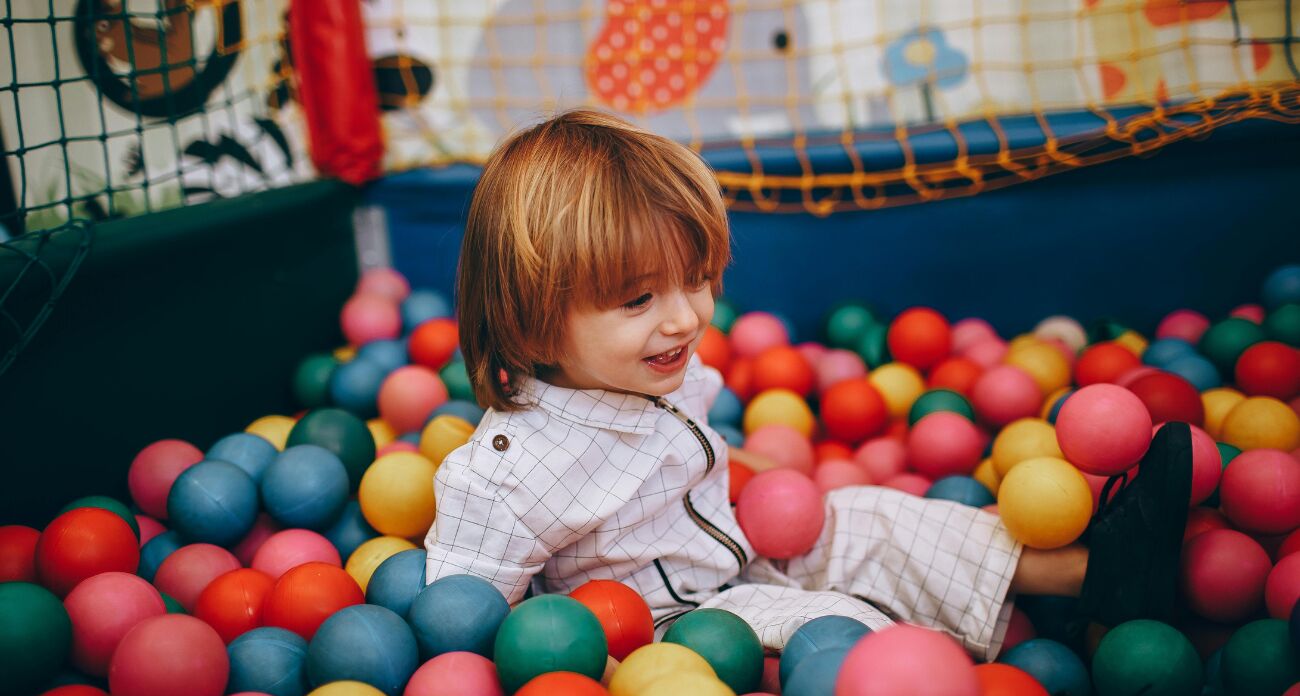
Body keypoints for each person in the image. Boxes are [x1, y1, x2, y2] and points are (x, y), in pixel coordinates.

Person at [423, 108, 1192, 659]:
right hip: (676, 634)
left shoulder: (643, 373)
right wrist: (591, 660)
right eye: (637, 299)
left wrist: (747, 483)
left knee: (873, 519)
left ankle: (1100, 574)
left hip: (742, 547)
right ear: (530, 322)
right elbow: (462, 619)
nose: (686, 318)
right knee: (837, 631)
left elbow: (675, 466)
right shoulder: (505, 472)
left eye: (697, 279)